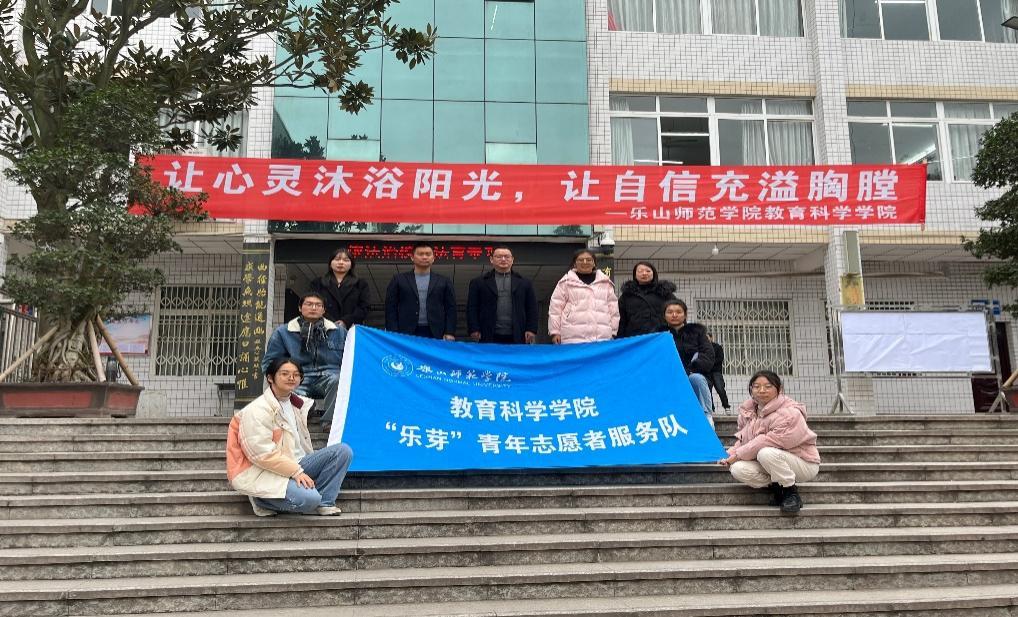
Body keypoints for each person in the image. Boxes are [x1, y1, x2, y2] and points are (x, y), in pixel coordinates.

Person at [226, 357, 354, 517]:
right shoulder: (257, 410)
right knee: (309, 499)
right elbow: (261, 455)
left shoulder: (297, 404)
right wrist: (296, 472)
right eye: (284, 374)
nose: (291, 378)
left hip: (298, 463)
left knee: (343, 451)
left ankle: (325, 502)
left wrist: (297, 469)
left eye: (296, 374)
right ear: (270, 378)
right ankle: (261, 500)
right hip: (265, 470)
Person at [718, 370, 820, 515]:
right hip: (772, 461)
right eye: (756, 386)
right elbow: (744, 441)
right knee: (738, 469)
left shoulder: (789, 413)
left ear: (779, 389)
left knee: (765, 452)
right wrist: (728, 455)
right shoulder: (750, 412)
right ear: (751, 389)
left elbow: (766, 441)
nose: (762, 390)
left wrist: (737, 455)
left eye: (768, 386)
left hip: (803, 462)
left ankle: (790, 492)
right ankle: (777, 487)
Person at [262, 291, 346, 432]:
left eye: (318, 305)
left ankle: (330, 423)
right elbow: (270, 361)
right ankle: (307, 408)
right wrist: (279, 377)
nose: (313, 308)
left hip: (329, 377)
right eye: (309, 304)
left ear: (324, 310)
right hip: (298, 377)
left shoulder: (339, 332)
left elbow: (350, 359)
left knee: (339, 379)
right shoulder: (283, 332)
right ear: (300, 308)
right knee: (285, 386)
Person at [658, 299, 715, 427]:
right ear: (664, 315)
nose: (674, 315)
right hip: (668, 377)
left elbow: (708, 355)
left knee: (696, 379)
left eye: (678, 312)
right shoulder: (658, 335)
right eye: (670, 312)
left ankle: (707, 417)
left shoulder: (698, 333)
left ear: (685, 315)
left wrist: (691, 370)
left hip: (692, 375)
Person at [384, 241, 457, 340]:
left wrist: (450, 332)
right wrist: (393, 331)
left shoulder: (444, 281)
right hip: (405, 332)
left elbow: (451, 308)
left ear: (433, 258)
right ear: (412, 257)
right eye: (420, 254)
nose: (424, 257)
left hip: (436, 332)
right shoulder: (398, 280)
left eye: (428, 254)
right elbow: (390, 308)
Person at [467, 246, 538, 344]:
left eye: (507, 256)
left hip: (518, 334)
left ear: (512, 260)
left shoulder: (524, 283)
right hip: (487, 334)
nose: (503, 259)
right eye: (499, 256)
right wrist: (474, 328)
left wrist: (531, 329)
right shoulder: (478, 282)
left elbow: (532, 308)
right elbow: (472, 308)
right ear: (491, 259)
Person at [548, 249, 619, 344]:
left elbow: (614, 310)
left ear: (594, 263)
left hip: (601, 337)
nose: (585, 262)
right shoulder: (565, 282)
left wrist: (613, 331)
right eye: (581, 260)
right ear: (574, 263)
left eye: (589, 260)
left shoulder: (605, 283)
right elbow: (555, 309)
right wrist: (555, 332)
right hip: (572, 337)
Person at [309, 248, 372, 328]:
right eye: (337, 259)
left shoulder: (360, 284)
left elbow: (364, 307)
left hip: (351, 328)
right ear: (330, 263)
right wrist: (331, 322)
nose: (341, 262)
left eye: (346, 260)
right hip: (323, 327)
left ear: (351, 265)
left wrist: (346, 321)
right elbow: (312, 304)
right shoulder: (318, 283)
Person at [617, 261, 676, 338]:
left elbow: (677, 312)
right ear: (635, 275)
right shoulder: (627, 295)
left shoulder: (664, 292)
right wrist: (619, 338)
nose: (644, 273)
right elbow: (621, 320)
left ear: (654, 274)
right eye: (640, 271)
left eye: (648, 271)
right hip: (635, 338)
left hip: (660, 336)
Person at [707, 332, 731, 413]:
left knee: (720, 389)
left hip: (716, 372)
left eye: (707, 337)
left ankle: (726, 406)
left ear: (711, 338)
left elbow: (720, 358)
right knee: (707, 391)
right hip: (706, 372)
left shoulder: (717, 347)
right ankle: (711, 408)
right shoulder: (702, 348)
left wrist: (710, 362)